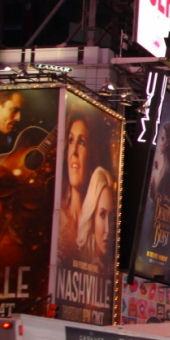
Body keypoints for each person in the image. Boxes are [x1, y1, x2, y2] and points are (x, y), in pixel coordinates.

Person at [58, 114, 91, 262]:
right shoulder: (57, 219)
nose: (74, 151)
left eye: (82, 142)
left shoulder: (98, 226)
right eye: (71, 141)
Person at [77, 166, 117, 272]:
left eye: (111, 217)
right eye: (102, 214)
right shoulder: (79, 259)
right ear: (92, 216)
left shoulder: (111, 267)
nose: (108, 229)